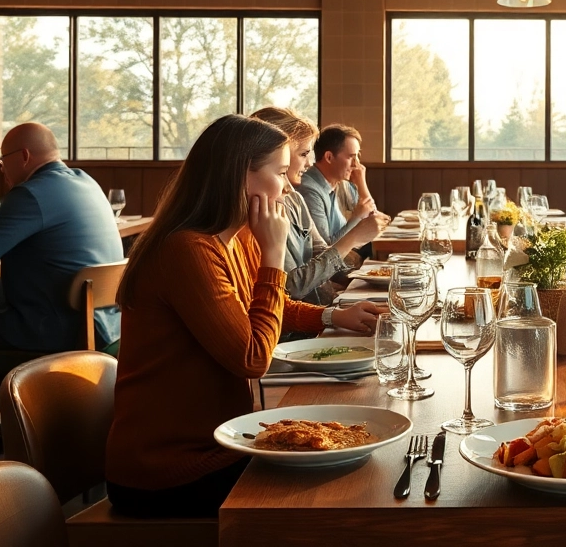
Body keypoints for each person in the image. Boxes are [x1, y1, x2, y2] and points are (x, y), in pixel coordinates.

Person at [105, 115, 382, 518]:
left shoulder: (235, 237)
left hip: (224, 440)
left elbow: (266, 304)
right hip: (169, 470)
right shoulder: (187, 250)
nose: (290, 186)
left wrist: (330, 317)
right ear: (240, 177)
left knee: (353, 462)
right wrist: (274, 256)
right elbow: (251, 358)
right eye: (281, 173)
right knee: (342, 494)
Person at [0, 123, 124, 436]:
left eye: (1, 160)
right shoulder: (85, 181)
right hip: (102, 323)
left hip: (52, 326)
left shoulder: (30, 193)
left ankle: (26, 417)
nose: (1, 169)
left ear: (23, 156)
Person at [249, 107, 388, 305]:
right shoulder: (263, 210)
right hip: (308, 320)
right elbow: (292, 287)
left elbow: (324, 254)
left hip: (323, 308)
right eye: (304, 154)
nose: (309, 164)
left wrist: (377, 277)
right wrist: (355, 236)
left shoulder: (295, 199)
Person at [297, 124, 377, 255]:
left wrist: (362, 184)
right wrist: (357, 217)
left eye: (357, 156)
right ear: (329, 157)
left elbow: (376, 222)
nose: (357, 164)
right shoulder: (310, 191)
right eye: (351, 157)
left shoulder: (341, 184)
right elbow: (324, 251)